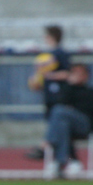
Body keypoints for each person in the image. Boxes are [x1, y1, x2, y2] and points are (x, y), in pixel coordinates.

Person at [44, 63, 93, 179]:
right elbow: (55, 104)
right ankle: (69, 161)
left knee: (59, 113)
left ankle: (46, 145)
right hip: (67, 125)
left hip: (84, 125)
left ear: (87, 76)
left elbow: (90, 108)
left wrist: (70, 109)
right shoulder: (68, 89)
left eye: (80, 73)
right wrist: (69, 85)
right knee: (62, 124)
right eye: (74, 73)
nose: (77, 76)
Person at [26, 25, 73, 161]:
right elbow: (39, 80)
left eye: (47, 36)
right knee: (56, 129)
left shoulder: (60, 54)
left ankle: (51, 152)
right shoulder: (46, 56)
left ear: (52, 37)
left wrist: (48, 75)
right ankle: (58, 159)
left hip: (60, 98)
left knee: (60, 128)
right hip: (49, 98)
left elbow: (67, 74)